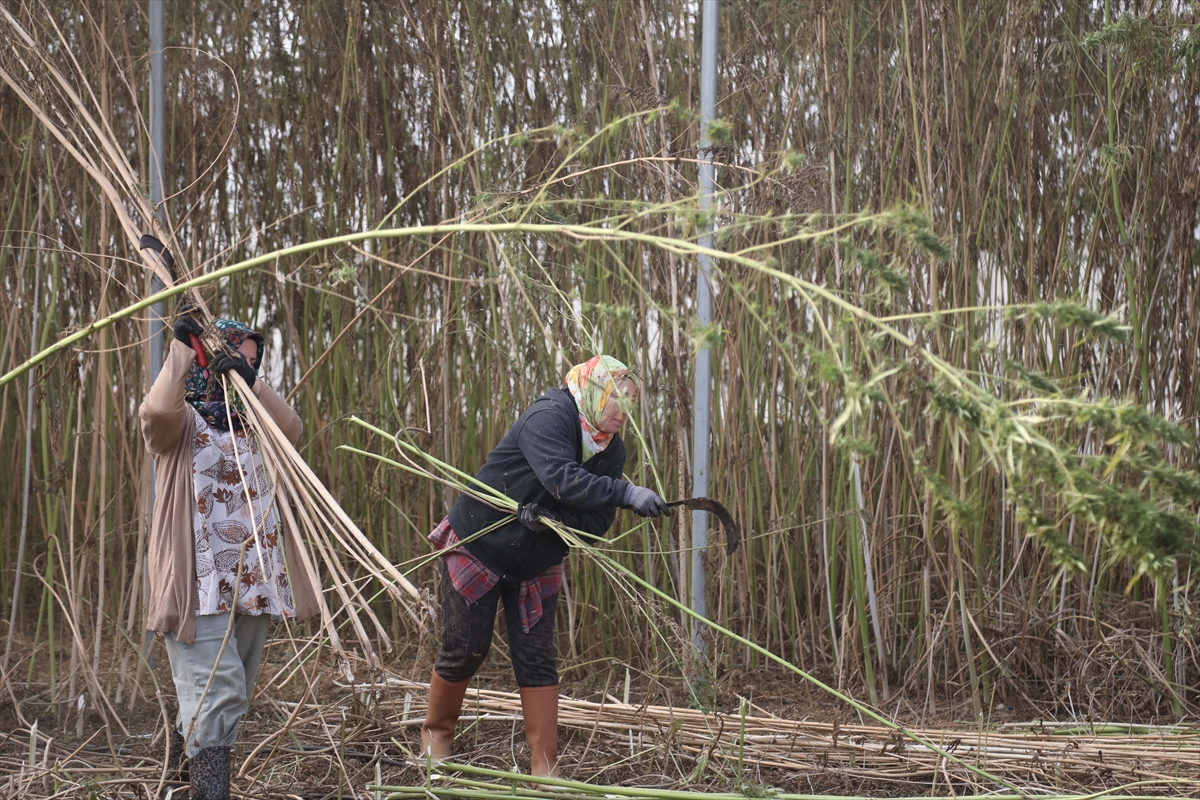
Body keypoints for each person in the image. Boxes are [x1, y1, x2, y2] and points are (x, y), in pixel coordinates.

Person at [419, 355, 669, 777]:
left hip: (537, 559)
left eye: (631, 402)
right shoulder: (551, 416)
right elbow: (562, 478)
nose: (623, 412)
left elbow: (594, 524)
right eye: (617, 399)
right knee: (465, 648)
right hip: (481, 542)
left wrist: (552, 521)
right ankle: (435, 740)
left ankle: (544, 766)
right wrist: (625, 492)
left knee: (536, 657)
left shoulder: (612, 450)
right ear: (594, 392)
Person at [140, 312, 320, 800]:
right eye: (234, 361)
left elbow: (292, 428)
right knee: (219, 695)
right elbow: (155, 414)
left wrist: (251, 385)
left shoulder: (256, 427)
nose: (242, 370)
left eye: (250, 363)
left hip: (255, 580)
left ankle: (181, 782)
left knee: (218, 695)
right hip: (197, 583)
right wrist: (181, 352)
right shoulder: (181, 422)